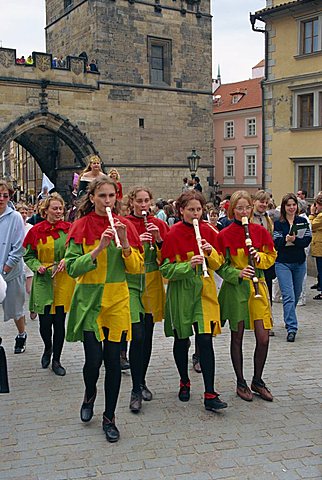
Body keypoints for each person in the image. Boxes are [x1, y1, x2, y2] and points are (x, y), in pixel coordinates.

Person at [65, 177, 143, 443]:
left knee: (113, 362)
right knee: (93, 360)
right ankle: (89, 394)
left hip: (117, 300)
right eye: (102, 196)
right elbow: (72, 267)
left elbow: (136, 269)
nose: (107, 201)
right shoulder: (81, 225)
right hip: (89, 300)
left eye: (111, 196)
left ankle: (109, 417)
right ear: (92, 198)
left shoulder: (126, 226)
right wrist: (98, 248)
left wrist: (125, 244)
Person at [160, 190, 227, 412]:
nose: (196, 214)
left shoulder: (209, 231)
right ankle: (184, 381)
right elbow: (166, 269)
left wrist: (210, 254)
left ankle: (210, 392)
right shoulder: (172, 233)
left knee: (205, 339)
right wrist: (186, 266)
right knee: (182, 339)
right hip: (181, 291)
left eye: (199, 210)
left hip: (204, 291)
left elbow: (220, 264)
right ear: (181, 211)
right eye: (191, 210)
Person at [217, 190, 277, 402]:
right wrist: (237, 273)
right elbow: (220, 266)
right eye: (239, 208)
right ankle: (240, 382)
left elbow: (271, 256)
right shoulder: (224, 234)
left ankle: (257, 380)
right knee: (237, 337)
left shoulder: (259, 231)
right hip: (236, 289)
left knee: (263, 338)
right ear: (232, 210)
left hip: (258, 287)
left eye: (247, 207)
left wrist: (258, 257)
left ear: (252, 208)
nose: (244, 212)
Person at [126, 187, 169, 411]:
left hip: (152, 281)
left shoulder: (159, 224)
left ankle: (142, 380)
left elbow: (168, 257)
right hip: (133, 282)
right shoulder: (125, 224)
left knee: (148, 335)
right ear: (132, 202)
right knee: (138, 335)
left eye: (146, 201)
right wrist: (137, 243)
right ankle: (135, 387)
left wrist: (159, 240)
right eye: (139, 201)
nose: (143, 205)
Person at [23, 193, 75, 375]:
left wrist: (67, 261)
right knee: (45, 324)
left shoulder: (69, 230)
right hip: (44, 281)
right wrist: (37, 267)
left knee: (59, 323)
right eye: (55, 208)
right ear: (46, 211)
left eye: (61, 208)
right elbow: (28, 255)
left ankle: (57, 360)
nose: (59, 211)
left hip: (62, 281)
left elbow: (74, 252)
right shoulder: (35, 231)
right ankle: (47, 348)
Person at [273, 193, 311, 342]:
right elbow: (276, 242)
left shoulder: (302, 221)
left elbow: (307, 240)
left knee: (295, 294)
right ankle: (292, 327)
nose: (291, 207)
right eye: (288, 205)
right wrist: (285, 239)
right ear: (284, 207)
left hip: (299, 262)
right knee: (288, 295)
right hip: (283, 262)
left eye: (293, 205)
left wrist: (295, 240)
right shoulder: (278, 223)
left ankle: (288, 316)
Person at [0, 181, 27, 354]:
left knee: (15, 308)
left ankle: (22, 334)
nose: (1, 198)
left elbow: (19, 248)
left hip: (11, 272)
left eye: (5, 195)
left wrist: (6, 269)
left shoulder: (15, 217)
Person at [252, 190, 276, 335]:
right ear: (254, 201)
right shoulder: (249, 218)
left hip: (265, 258)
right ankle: (254, 319)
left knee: (267, 290)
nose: (264, 205)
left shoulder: (268, 218)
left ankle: (267, 322)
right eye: (261, 201)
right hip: (252, 259)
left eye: (266, 202)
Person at [309, 193, 322, 300]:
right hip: (318, 247)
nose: (315, 206)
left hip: (320, 248)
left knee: (321, 269)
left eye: (316, 204)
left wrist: (312, 213)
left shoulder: (321, 216)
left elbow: (310, 225)